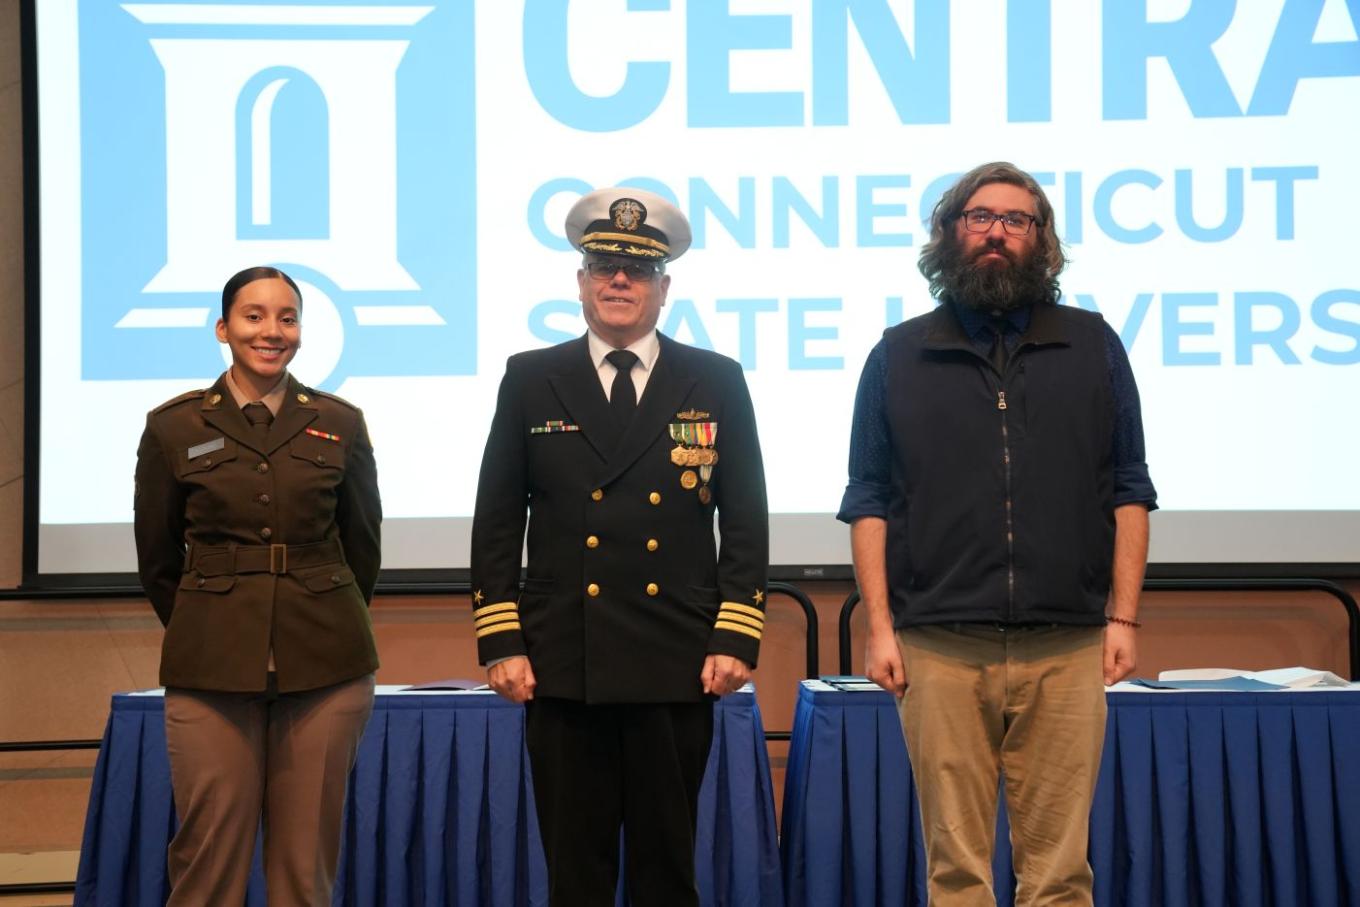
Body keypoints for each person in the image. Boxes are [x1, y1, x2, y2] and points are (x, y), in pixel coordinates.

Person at [839, 162, 1157, 906]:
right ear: (950, 231)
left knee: (1060, 874)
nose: (996, 233)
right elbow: (869, 498)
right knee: (956, 874)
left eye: (1016, 220)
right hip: (939, 645)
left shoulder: (1093, 346)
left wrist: (1122, 617)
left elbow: (1129, 488)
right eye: (980, 217)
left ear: (1041, 240)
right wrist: (880, 627)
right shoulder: (897, 354)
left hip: (1068, 644)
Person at [470, 187, 769, 905]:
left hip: (676, 658)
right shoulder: (531, 377)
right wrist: (501, 639)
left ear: (664, 289)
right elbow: (498, 518)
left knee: (668, 871)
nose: (620, 281)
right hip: (565, 658)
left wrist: (736, 633)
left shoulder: (715, 378)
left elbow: (746, 517)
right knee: (576, 872)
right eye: (604, 267)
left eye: (639, 270)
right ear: (581, 282)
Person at [133, 265, 382, 906]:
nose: (272, 331)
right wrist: (207, 625)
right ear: (224, 329)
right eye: (254, 316)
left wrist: (325, 616)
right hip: (209, 669)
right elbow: (158, 559)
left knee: (305, 867)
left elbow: (362, 547)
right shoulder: (174, 426)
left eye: (287, 318)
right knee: (208, 861)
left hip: (327, 666)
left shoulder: (341, 423)